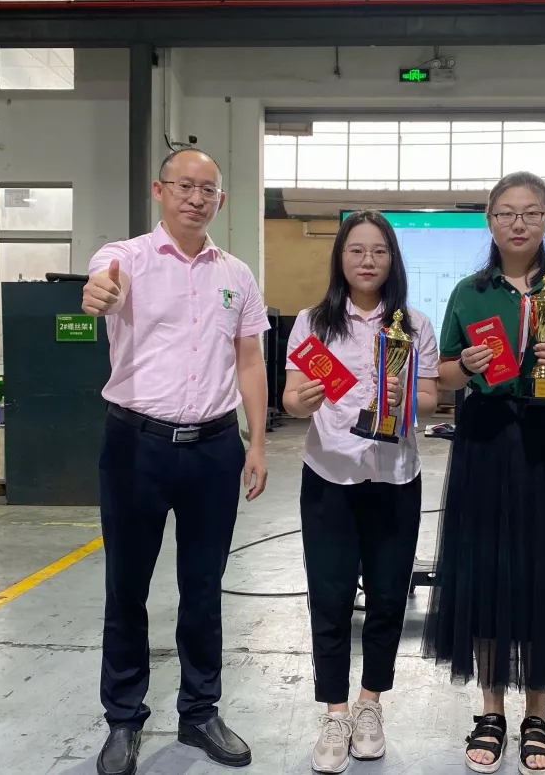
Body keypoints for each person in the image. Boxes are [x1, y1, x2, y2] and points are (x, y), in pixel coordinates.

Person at [81, 147, 270, 775]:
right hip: (135, 446)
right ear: (160, 190)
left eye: (207, 189)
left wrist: (257, 443)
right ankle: (123, 719)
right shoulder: (126, 258)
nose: (196, 197)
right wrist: (98, 293)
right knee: (126, 587)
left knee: (203, 588)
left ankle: (200, 712)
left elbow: (250, 360)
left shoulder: (236, 274)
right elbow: (103, 284)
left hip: (215, 448)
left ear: (221, 199)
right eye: (184, 186)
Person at [421, 171, 545, 775]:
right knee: (486, 568)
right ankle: (490, 710)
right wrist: (466, 365)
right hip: (486, 436)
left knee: (544, 569)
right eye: (506, 213)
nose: (518, 223)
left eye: (530, 212)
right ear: (490, 221)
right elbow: (443, 375)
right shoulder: (469, 291)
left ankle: (537, 715)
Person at [282, 210, 440, 774]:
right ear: (341, 258)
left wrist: (405, 397)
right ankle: (335, 712)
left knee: (388, 596)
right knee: (328, 598)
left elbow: (431, 401)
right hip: (329, 478)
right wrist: (301, 400)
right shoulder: (313, 323)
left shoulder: (414, 325)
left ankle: (371, 704)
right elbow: (291, 399)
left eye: (378, 251)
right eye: (356, 250)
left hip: (395, 478)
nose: (367, 260)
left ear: (393, 259)